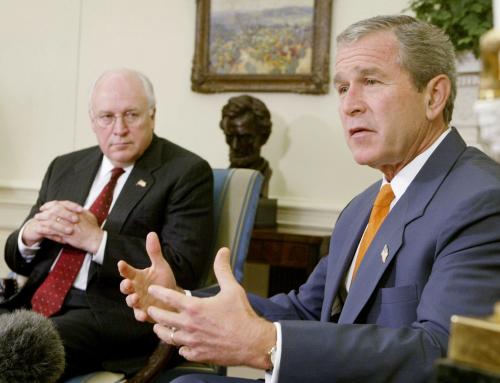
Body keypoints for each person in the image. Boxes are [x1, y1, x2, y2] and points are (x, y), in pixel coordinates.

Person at [119, 15, 500, 383]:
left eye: (370, 81)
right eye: (343, 88)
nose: (351, 104)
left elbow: (446, 355)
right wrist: (182, 303)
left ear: (434, 96)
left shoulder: (481, 200)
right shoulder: (362, 207)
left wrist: (267, 345)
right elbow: (307, 309)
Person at [1, 68, 213, 379]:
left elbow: (182, 268)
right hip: (33, 300)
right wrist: (28, 236)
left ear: (152, 116)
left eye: (131, 115)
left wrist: (96, 241)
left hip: (110, 314)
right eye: (106, 117)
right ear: (92, 120)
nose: (119, 129)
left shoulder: (185, 172)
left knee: (18, 351)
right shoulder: (65, 167)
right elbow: (15, 259)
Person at [220, 95, 272, 197]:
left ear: (263, 137)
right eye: (230, 136)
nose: (235, 146)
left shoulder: (262, 175)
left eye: (244, 138)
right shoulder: (225, 178)